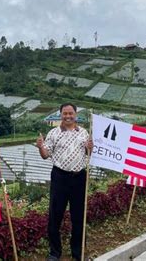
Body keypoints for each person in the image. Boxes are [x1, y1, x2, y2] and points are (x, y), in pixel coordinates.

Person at [36, 103, 93, 261]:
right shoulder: (53, 133)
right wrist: (40, 147)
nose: (68, 116)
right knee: (55, 215)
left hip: (79, 177)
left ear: (76, 114)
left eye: (71, 113)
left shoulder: (83, 132)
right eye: (65, 113)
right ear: (60, 114)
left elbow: (89, 153)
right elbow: (45, 155)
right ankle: (54, 252)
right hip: (59, 177)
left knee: (79, 216)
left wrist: (91, 147)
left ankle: (78, 253)